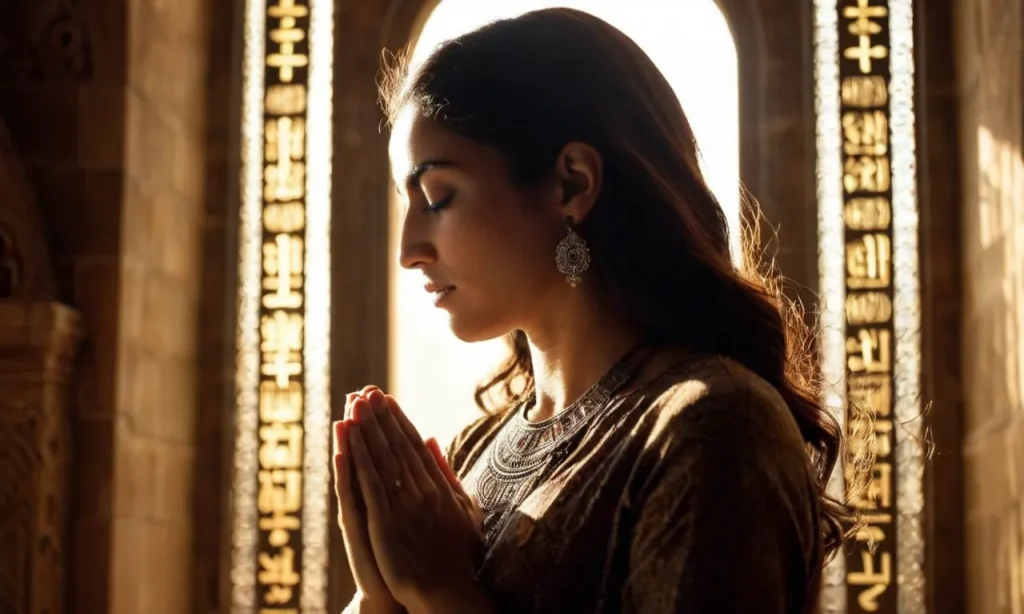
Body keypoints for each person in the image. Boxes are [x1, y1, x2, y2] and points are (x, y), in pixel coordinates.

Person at [331, 7, 860, 614]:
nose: (408, 250)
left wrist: (440, 590)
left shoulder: (713, 427)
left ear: (572, 185)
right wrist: (379, 593)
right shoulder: (476, 449)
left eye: (437, 197)